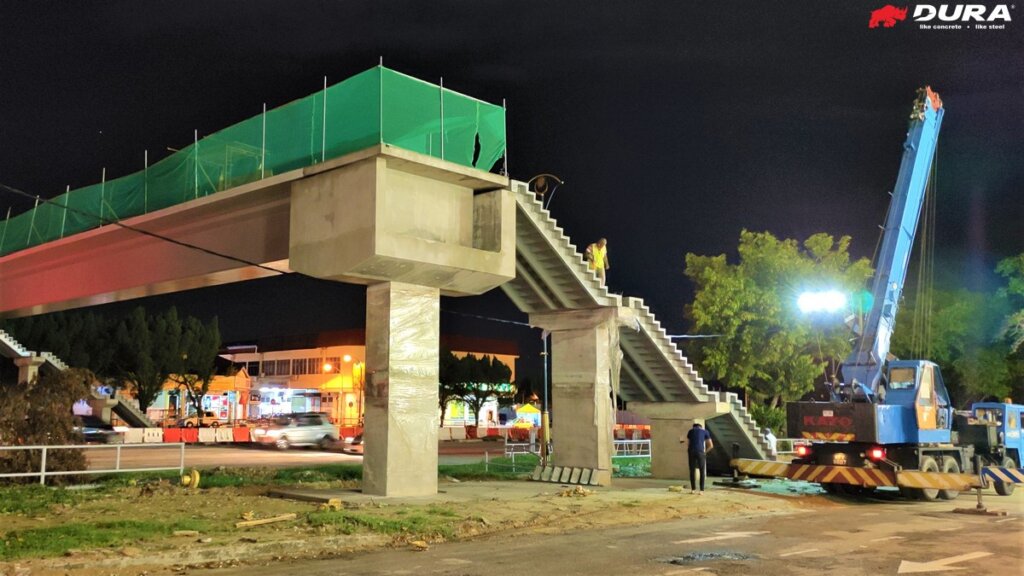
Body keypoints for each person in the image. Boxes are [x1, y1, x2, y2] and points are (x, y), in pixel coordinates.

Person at [684, 421, 713, 494]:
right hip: (700, 452)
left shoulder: (690, 431)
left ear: (694, 427)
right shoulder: (705, 431)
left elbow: (687, 443)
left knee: (692, 470)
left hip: (691, 451)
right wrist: (705, 452)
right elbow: (711, 445)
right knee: (702, 470)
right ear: (701, 427)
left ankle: (693, 489)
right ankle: (701, 490)